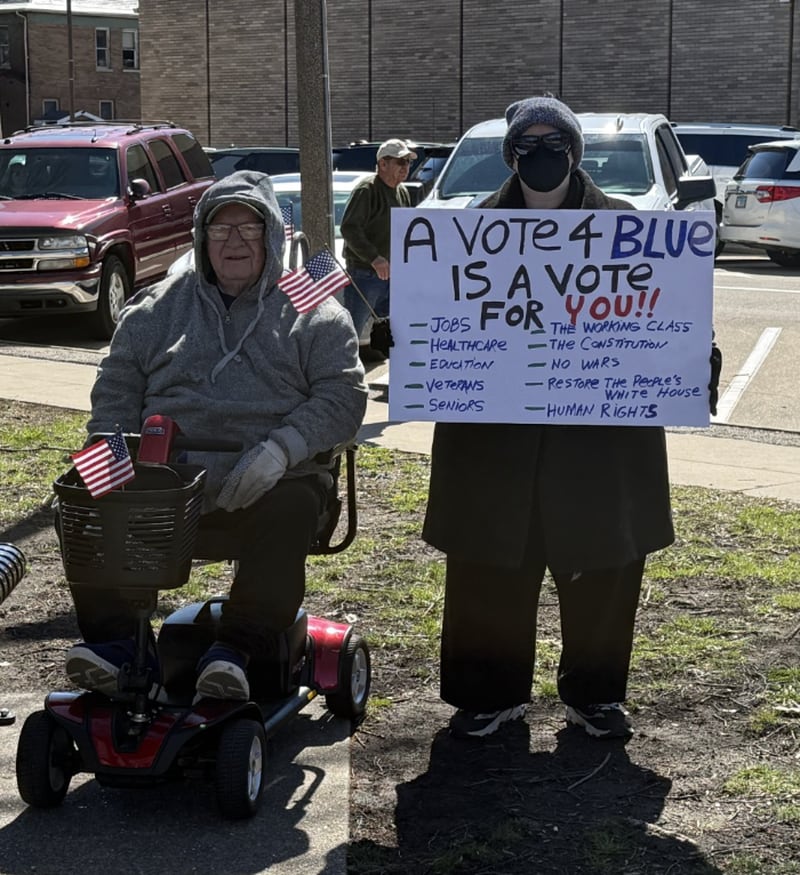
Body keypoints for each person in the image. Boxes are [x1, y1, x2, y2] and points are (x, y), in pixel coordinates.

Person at [422, 96, 679, 741]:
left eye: (553, 142)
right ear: (511, 154)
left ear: (574, 152)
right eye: (528, 142)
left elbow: (665, 320)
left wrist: (687, 360)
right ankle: (488, 694)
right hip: (493, 446)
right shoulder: (464, 232)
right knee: (489, 565)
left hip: (598, 447)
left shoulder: (626, 228)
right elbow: (438, 324)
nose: (541, 153)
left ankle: (594, 694)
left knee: (602, 568)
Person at [65, 169, 368, 701]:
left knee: (294, 503)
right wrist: (111, 455)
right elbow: (114, 389)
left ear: (272, 236)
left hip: (273, 478)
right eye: (220, 228)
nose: (234, 241)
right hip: (164, 481)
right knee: (85, 495)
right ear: (201, 238)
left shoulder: (314, 310)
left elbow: (345, 397)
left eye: (249, 229)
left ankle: (235, 653)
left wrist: (281, 450)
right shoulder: (158, 306)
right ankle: (117, 649)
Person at [341, 137, 417, 359]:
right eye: (400, 162)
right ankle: (342, 378)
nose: (406, 168)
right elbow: (350, 228)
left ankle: (401, 377)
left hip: (394, 275)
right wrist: (374, 258)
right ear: (383, 164)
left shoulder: (402, 192)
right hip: (365, 274)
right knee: (351, 330)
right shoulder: (367, 190)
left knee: (397, 329)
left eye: (408, 163)